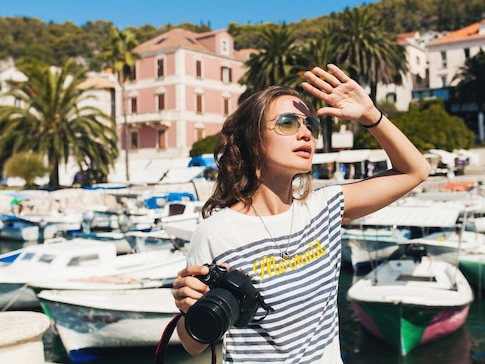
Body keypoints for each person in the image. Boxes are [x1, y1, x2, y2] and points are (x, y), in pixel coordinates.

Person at [171, 64, 431, 363]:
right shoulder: (215, 233)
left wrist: (370, 115)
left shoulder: (325, 208)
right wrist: (191, 309)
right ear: (252, 140)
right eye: (288, 123)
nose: (306, 133)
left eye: (310, 125)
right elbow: (193, 345)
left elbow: (416, 170)